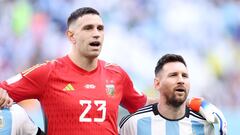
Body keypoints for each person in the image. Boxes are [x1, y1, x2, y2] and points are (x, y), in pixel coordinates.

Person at [0, 7, 226, 135]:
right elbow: (4, 90)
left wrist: (193, 103)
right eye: (88, 28)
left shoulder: (116, 74)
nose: (96, 34)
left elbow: (144, 103)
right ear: (71, 36)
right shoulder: (48, 72)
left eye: (100, 28)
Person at [119, 54, 227, 135]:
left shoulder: (204, 126)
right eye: (173, 75)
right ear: (157, 83)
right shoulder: (133, 124)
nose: (181, 80)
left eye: (184, 76)